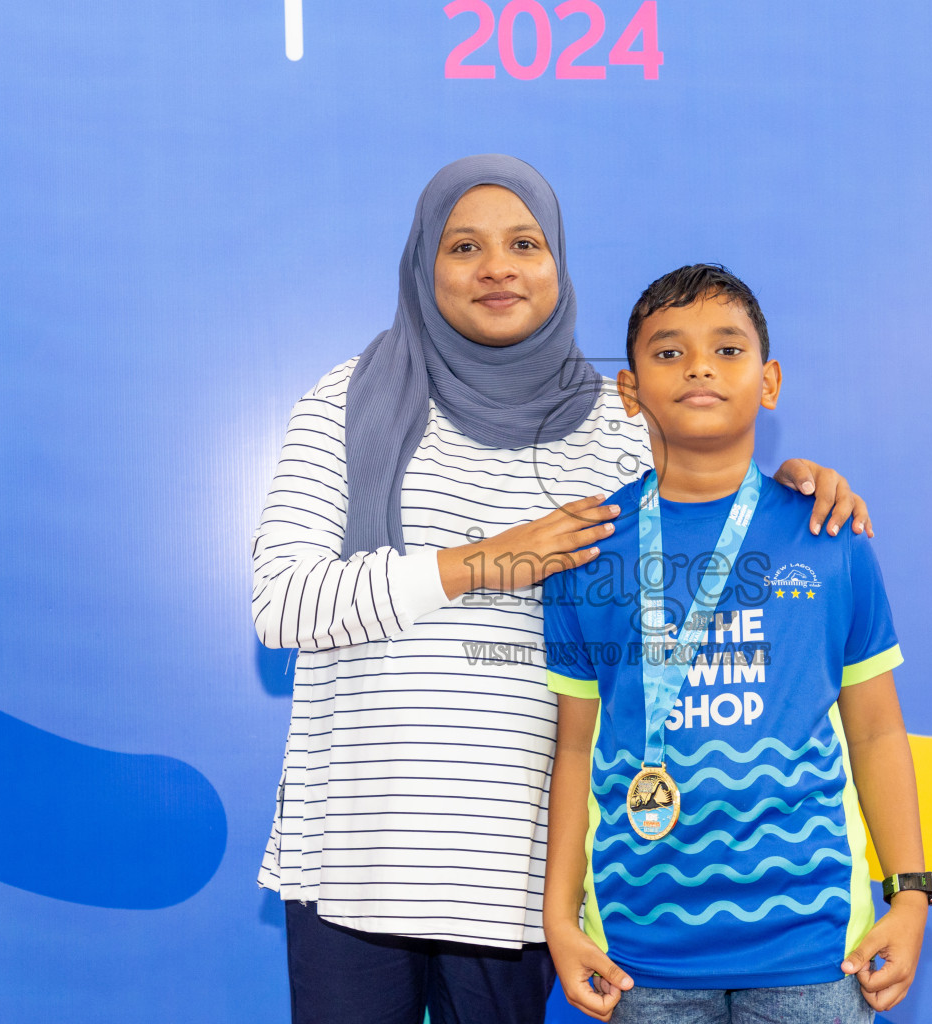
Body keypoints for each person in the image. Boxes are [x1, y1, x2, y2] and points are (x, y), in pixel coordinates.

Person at [251, 157, 877, 1024]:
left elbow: (715, 506)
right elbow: (282, 603)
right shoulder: (346, 401)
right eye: (464, 246)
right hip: (359, 850)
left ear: (559, 265)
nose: (497, 266)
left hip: (515, 871)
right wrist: (484, 560)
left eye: (525, 243)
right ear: (424, 265)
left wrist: (804, 485)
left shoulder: (618, 418)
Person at [542, 265, 932, 1023]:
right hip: (640, 953)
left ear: (769, 381)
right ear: (629, 392)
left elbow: (878, 729)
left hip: (815, 948)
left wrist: (911, 891)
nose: (698, 368)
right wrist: (560, 919)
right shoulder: (587, 552)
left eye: (727, 349)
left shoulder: (830, 535)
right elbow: (573, 749)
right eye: (668, 353)